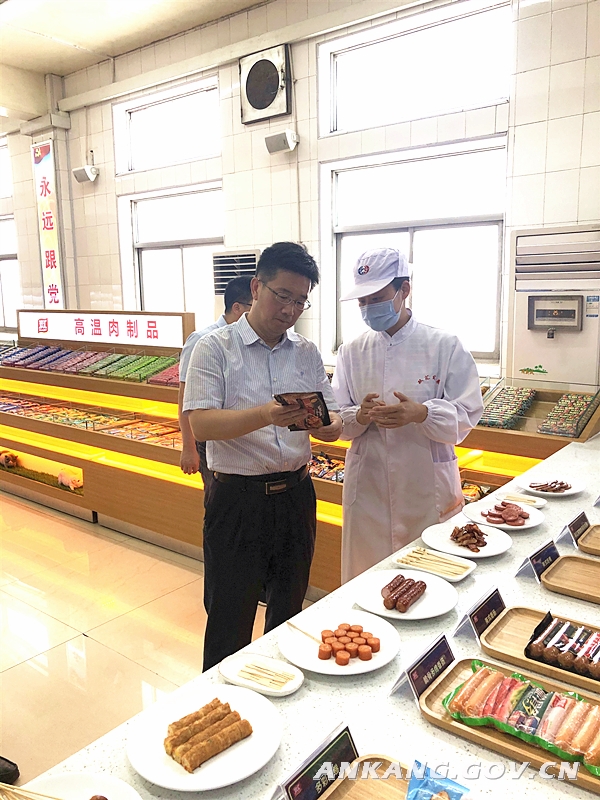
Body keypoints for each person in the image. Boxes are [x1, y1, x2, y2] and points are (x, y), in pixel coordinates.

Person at [184, 242, 342, 671]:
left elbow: (331, 417)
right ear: (256, 288)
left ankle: (281, 690)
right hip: (237, 501)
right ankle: (223, 703)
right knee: (230, 617)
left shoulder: (306, 352)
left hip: (296, 496)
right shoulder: (214, 348)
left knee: (289, 612)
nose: (290, 310)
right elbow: (202, 424)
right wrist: (265, 415)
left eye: (300, 301)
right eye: (282, 295)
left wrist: (330, 426)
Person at [332, 247, 483, 583]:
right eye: (362, 301)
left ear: (404, 290)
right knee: (367, 579)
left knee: (433, 579)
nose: (368, 307)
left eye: (377, 298)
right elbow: (338, 419)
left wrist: (423, 413)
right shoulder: (352, 351)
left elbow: (468, 411)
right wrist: (361, 415)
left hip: (425, 486)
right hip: (368, 485)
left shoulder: (444, 345)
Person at [178, 276, 253, 504]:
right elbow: (185, 397)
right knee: (217, 500)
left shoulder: (249, 340)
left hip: (239, 437)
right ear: (237, 308)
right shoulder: (203, 340)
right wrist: (188, 447)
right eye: (254, 305)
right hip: (209, 438)